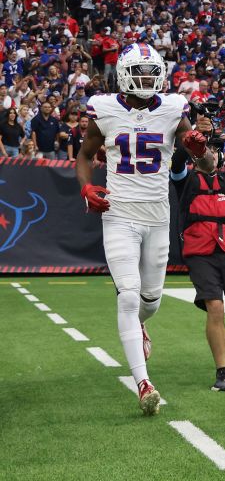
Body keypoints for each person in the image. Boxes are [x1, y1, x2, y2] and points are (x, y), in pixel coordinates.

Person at [75, 43, 200, 415]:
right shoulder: (106, 108)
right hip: (119, 212)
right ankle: (143, 383)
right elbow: (84, 155)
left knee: (150, 301)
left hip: (158, 216)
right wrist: (86, 187)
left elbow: (205, 160)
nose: (147, 80)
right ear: (126, 75)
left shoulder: (174, 109)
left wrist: (200, 146)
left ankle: (141, 327)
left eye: (151, 73)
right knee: (128, 296)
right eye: (140, 73)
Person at [170, 122, 225, 391]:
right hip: (200, 253)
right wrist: (190, 139)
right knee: (215, 308)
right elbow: (176, 163)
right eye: (206, 149)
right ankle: (222, 370)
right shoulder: (185, 180)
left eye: (216, 150)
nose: (210, 153)